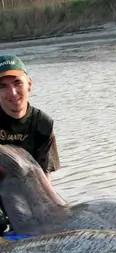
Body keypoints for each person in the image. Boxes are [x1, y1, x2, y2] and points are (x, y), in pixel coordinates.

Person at [0, 53, 61, 233]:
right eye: (2, 86)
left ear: (29, 84)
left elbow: (44, 177)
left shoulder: (43, 124)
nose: (12, 93)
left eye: (17, 83)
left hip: (24, 195)